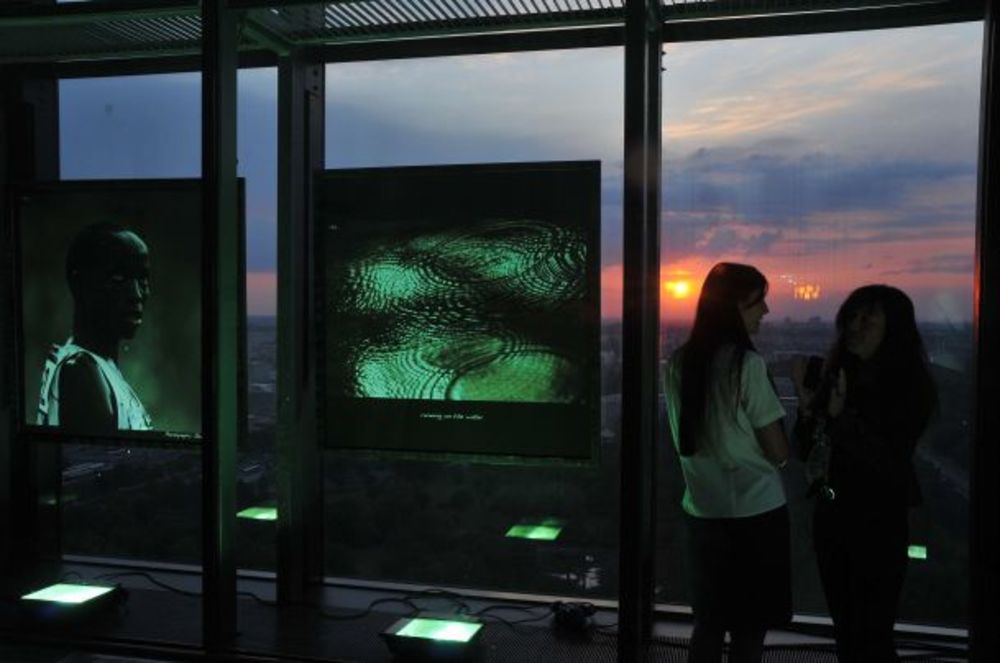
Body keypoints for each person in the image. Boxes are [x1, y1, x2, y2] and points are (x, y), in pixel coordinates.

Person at [792, 285, 937, 662]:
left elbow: (889, 460)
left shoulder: (910, 388)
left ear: (894, 328)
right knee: (847, 630)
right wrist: (808, 410)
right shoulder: (840, 376)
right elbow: (805, 452)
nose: (856, 326)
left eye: (868, 318)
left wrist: (839, 420)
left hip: (877, 525)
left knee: (871, 634)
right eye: (852, 317)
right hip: (834, 520)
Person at [663, 262, 791, 663]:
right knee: (749, 629)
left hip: (702, 509)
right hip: (756, 514)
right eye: (758, 302)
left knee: (709, 623)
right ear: (735, 307)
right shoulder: (747, 367)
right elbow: (779, 452)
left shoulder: (679, 363)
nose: (765, 311)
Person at [36, 223, 153, 433]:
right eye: (118, 278)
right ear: (79, 283)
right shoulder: (80, 372)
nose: (136, 294)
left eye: (142, 279)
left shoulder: (97, 367)